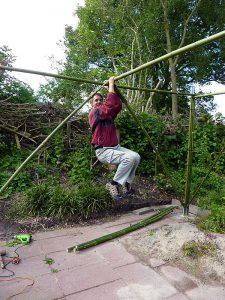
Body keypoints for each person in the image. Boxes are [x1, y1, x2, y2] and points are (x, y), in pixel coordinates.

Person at [89, 77, 140, 201]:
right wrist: (111, 85)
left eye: (100, 100)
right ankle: (113, 184)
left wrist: (111, 90)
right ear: (91, 104)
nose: (99, 102)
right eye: (96, 100)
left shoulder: (106, 113)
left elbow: (116, 106)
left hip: (115, 147)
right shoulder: (94, 113)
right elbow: (110, 104)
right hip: (103, 150)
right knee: (128, 158)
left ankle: (126, 184)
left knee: (136, 156)